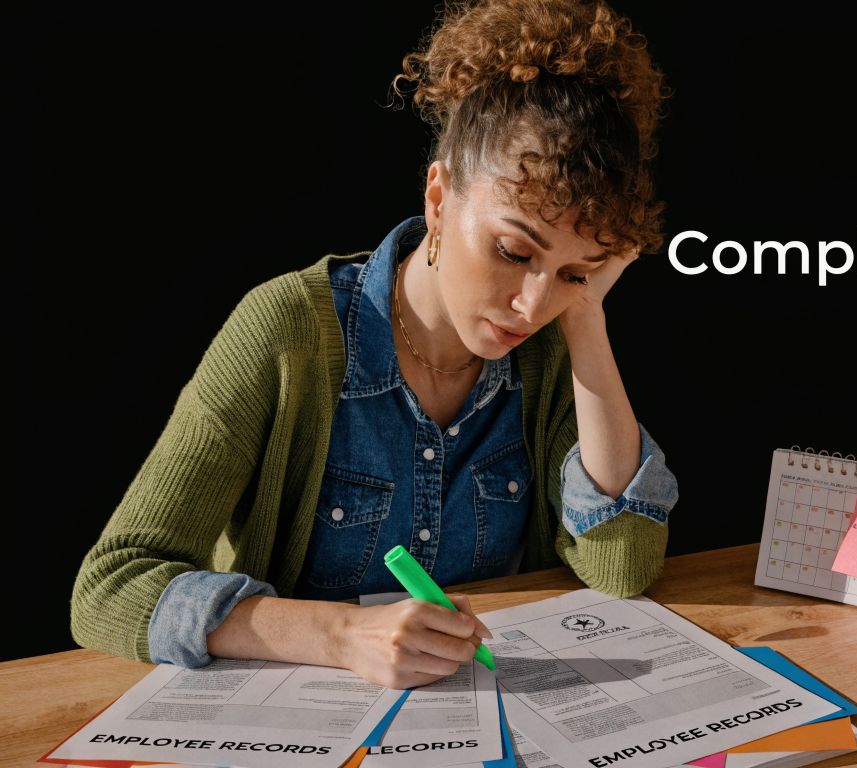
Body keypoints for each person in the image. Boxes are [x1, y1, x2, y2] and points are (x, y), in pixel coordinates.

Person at [70, 0, 678, 690]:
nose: (532, 305)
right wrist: (341, 635)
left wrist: (588, 320)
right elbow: (113, 587)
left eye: (573, 272)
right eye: (512, 251)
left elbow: (622, 564)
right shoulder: (286, 330)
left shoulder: (548, 346)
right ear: (440, 198)